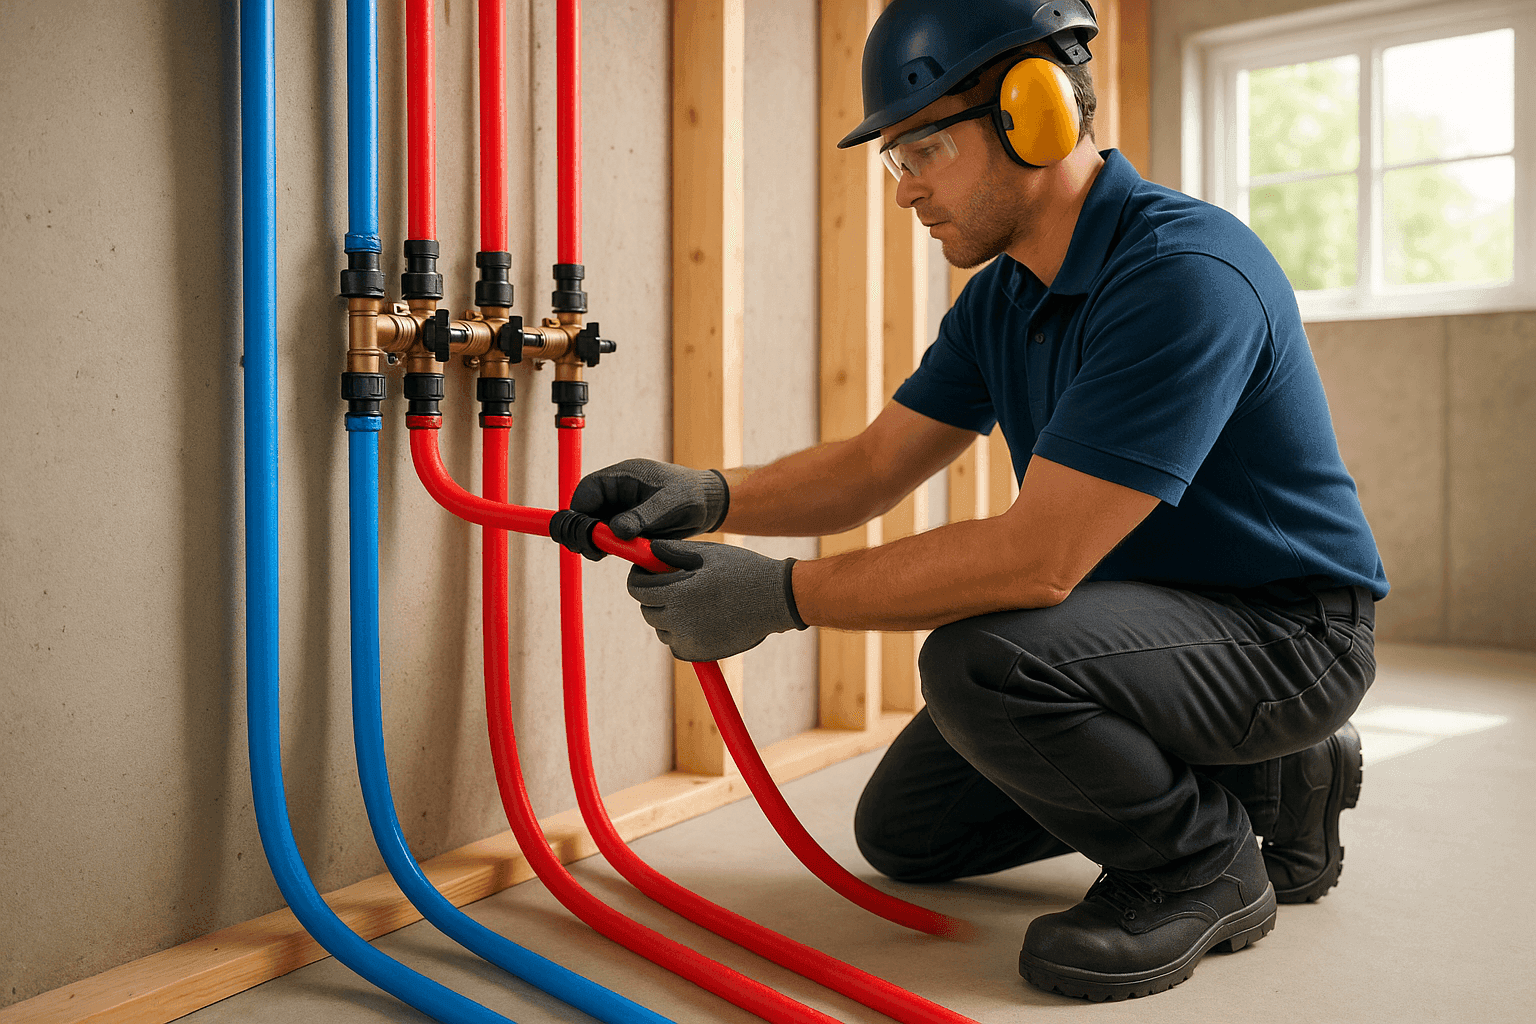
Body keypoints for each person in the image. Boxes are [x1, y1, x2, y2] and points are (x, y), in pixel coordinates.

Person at [569, 0, 1387, 1002]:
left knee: (981, 663)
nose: (904, 189)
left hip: (1285, 636)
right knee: (908, 832)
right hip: (1139, 626)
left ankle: (1200, 861)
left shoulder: (1182, 275)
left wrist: (779, 595)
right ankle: (1271, 781)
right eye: (893, 160)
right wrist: (709, 493)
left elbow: (1034, 561)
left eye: (921, 149)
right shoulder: (1004, 297)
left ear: (1031, 112)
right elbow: (875, 464)